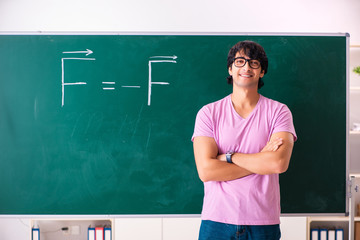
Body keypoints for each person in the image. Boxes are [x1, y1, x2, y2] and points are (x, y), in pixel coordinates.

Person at [191, 40, 297, 240]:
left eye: (254, 63)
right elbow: (206, 171)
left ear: (262, 72)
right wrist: (261, 159)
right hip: (217, 220)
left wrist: (228, 157)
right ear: (230, 69)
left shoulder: (279, 112)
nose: (246, 67)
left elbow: (278, 163)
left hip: (263, 221)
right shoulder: (208, 113)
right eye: (240, 61)